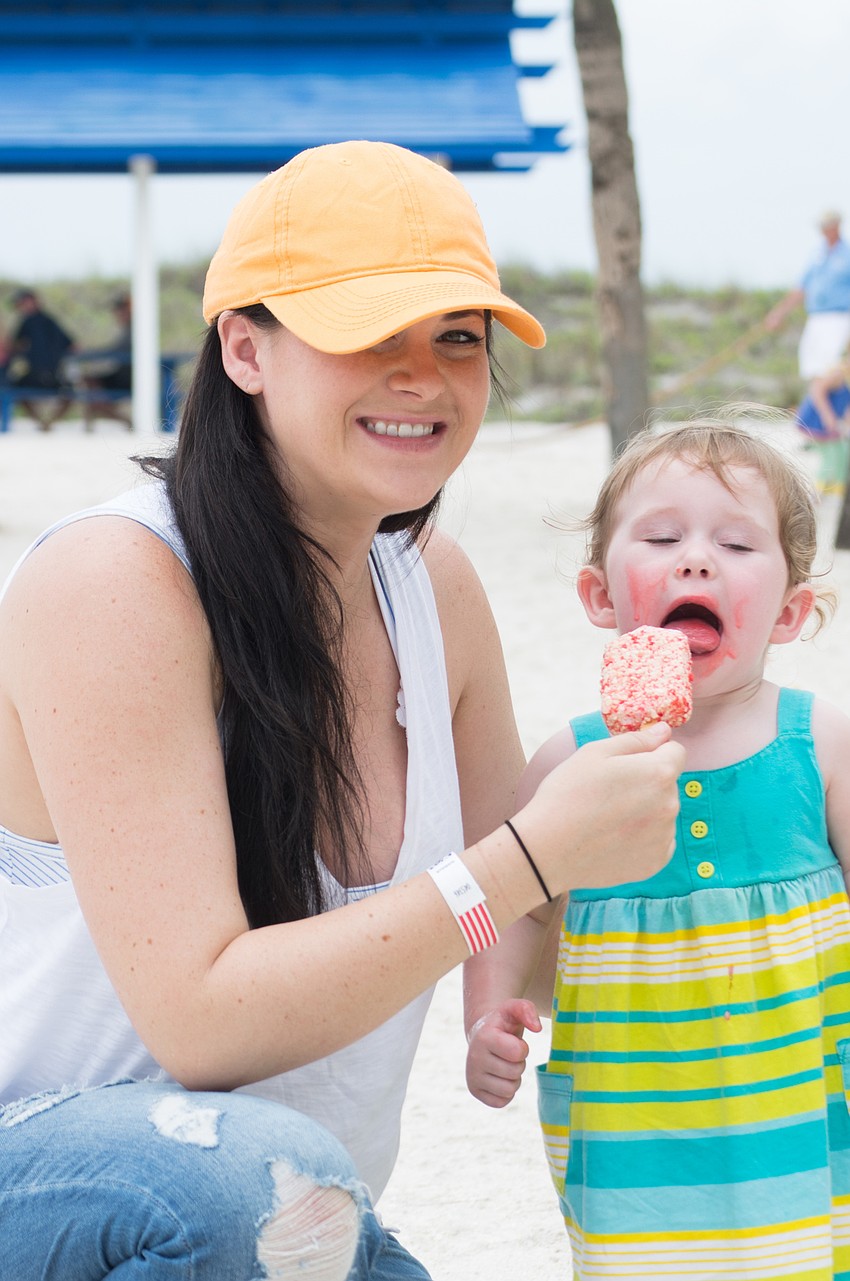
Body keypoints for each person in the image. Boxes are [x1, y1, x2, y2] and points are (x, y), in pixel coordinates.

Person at [0, 140, 685, 1280]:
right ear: (244, 348)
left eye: (456, 338)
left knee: (279, 1189)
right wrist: (523, 859)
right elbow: (201, 1026)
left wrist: (701, 766)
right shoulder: (115, 583)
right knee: (240, 1178)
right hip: (63, 1178)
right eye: (371, 332)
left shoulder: (433, 590)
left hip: (296, 1213)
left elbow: (524, 927)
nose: (421, 376)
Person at [465, 418, 850, 1280]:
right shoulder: (571, 762)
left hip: (801, 1109)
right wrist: (486, 1017)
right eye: (664, 536)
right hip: (632, 1116)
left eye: (736, 541)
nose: (696, 559)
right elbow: (517, 909)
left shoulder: (820, 743)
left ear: (791, 613)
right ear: (602, 597)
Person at [766, 210, 850, 415]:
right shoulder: (816, 254)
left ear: (837, 226)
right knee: (812, 366)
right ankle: (817, 419)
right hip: (816, 317)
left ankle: (833, 419)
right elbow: (801, 288)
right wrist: (779, 313)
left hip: (839, 316)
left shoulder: (846, 254)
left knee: (830, 368)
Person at [6, 286, 76, 430]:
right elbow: (73, 345)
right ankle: (45, 423)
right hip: (47, 376)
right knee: (12, 387)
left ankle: (46, 423)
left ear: (32, 301)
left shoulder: (42, 321)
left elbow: (72, 345)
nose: (21, 306)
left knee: (10, 387)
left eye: (23, 302)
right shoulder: (37, 321)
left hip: (49, 376)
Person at [79, 291, 133, 430]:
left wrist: (92, 353)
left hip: (129, 377)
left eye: (121, 309)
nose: (118, 313)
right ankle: (122, 419)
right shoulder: (129, 328)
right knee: (90, 384)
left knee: (91, 387)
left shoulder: (135, 328)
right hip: (123, 374)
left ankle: (125, 420)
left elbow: (116, 350)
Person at [794, 360, 850, 494]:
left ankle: (834, 489)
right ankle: (820, 492)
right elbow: (817, 389)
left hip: (834, 426)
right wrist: (828, 416)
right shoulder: (839, 372)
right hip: (817, 423)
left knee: (841, 454)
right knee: (831, 456)